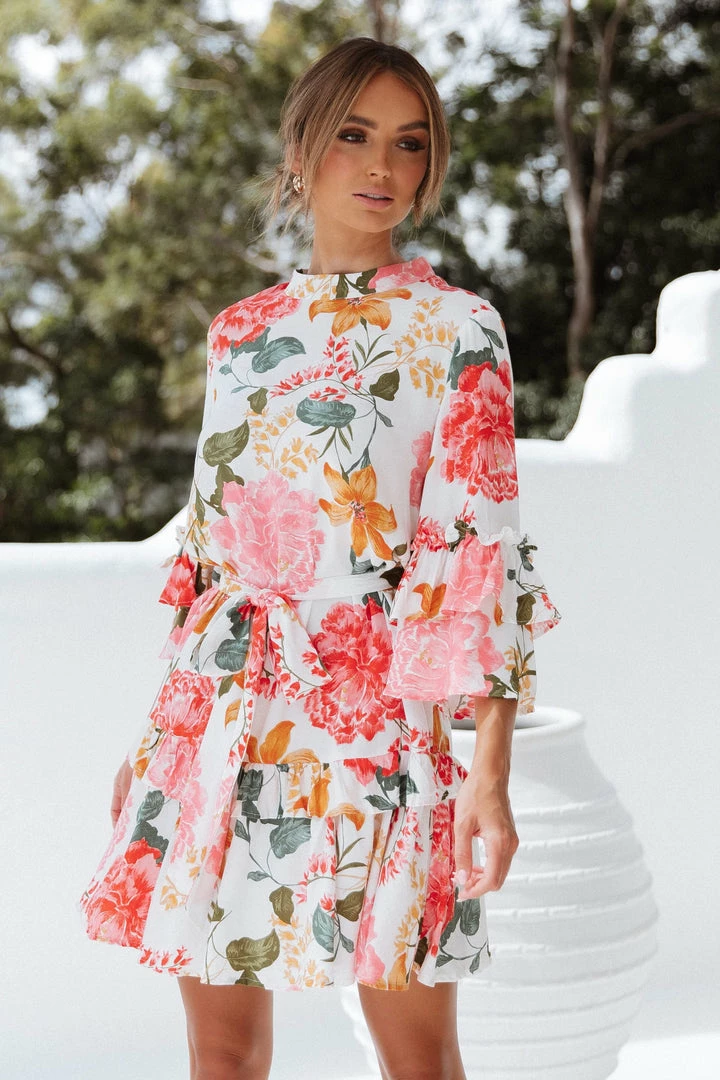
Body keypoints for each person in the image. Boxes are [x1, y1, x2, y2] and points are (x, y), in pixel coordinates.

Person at [78, 36, 561, 1080]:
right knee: (221, 1053)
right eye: (354, 135)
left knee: (418, 1056)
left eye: (409, 143)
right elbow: (211, 548)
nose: (383, 166)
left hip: (381, 712)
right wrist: (160, 734)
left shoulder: (458, 329)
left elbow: (476, 548)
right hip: (225, 708)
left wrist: (488, 772)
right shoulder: (239, 335)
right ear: (302, 149)